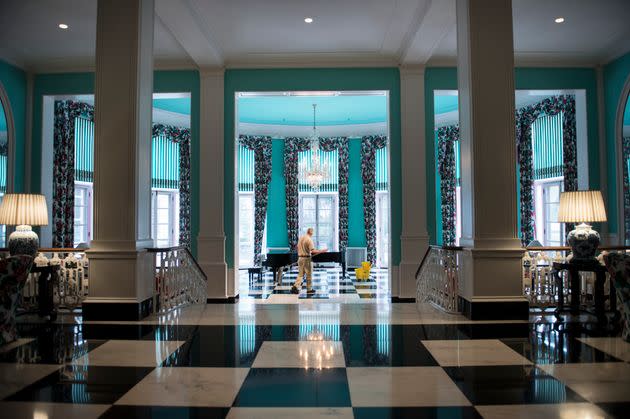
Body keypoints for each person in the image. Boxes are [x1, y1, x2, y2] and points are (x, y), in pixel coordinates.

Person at [291, 227, 326, 294]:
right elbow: (313, 251)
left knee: (300, 274)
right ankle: (309, 289)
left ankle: (295, 287)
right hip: (307, 259)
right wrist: (322, 251)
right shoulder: (309, 239)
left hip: (300, 258)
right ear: (311, 232)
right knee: (309, 274)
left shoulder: (301, 238)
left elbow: (297, 247)